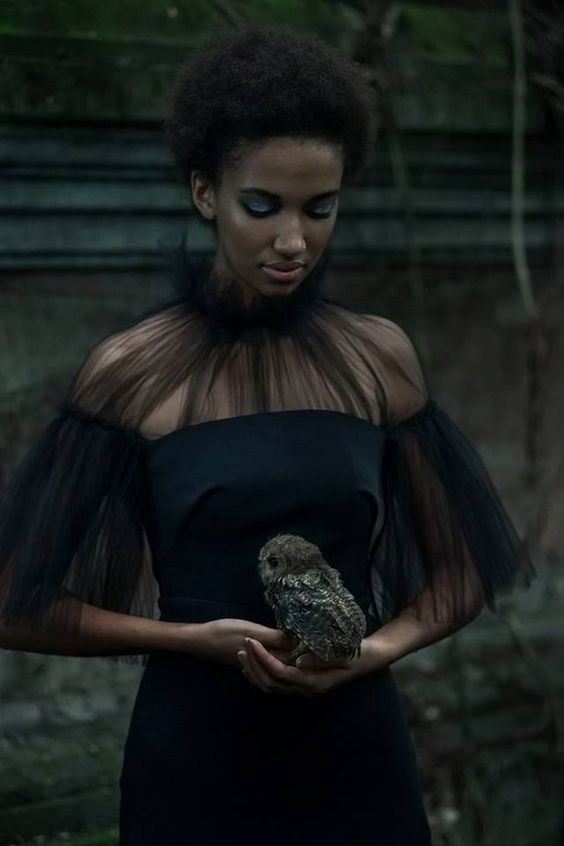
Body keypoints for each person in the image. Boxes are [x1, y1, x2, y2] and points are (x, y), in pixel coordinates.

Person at [0, 24, 534, 846]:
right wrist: (190, 641)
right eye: (264, 207)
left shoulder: (378, 356)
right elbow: (15, 603)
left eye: (320, 209)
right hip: (197, 759)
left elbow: (463, 571)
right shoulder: (131, 371)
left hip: (357, 753)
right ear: (205, 193)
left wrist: (374, 649)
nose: (294, 242)